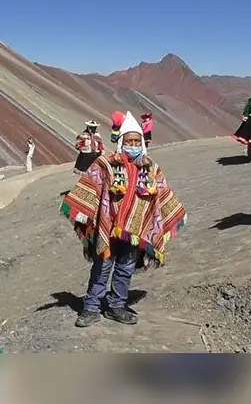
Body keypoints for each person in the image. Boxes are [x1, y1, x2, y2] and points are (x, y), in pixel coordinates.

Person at [60, 112, 187, 327]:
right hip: (108, 228)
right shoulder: (106, 164)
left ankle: (116, 305)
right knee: (103, 265)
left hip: (135, 230)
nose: (133, 145)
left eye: (137, 141)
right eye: (129, 141)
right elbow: (91, 184)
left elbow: (162, 193)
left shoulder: (151, 168)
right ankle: (91, 307)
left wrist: (175, 212)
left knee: (126, 267)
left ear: (142, 143)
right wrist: (80, 206)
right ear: (121, 142)